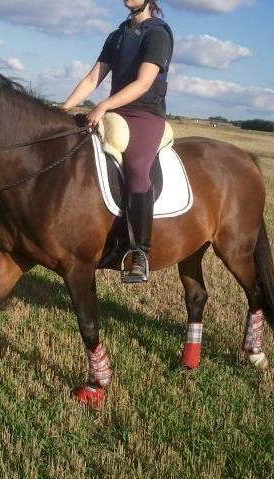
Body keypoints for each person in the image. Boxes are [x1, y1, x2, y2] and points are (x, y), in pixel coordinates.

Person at [63, 0, 173, 283]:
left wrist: (102, 106)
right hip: (115, 110)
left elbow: (143, 83)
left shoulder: (158, 33)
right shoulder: (117, 34)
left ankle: (139, 253)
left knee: (137, 167)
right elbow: (92, 78)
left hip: (145, 114)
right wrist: (61, 111)